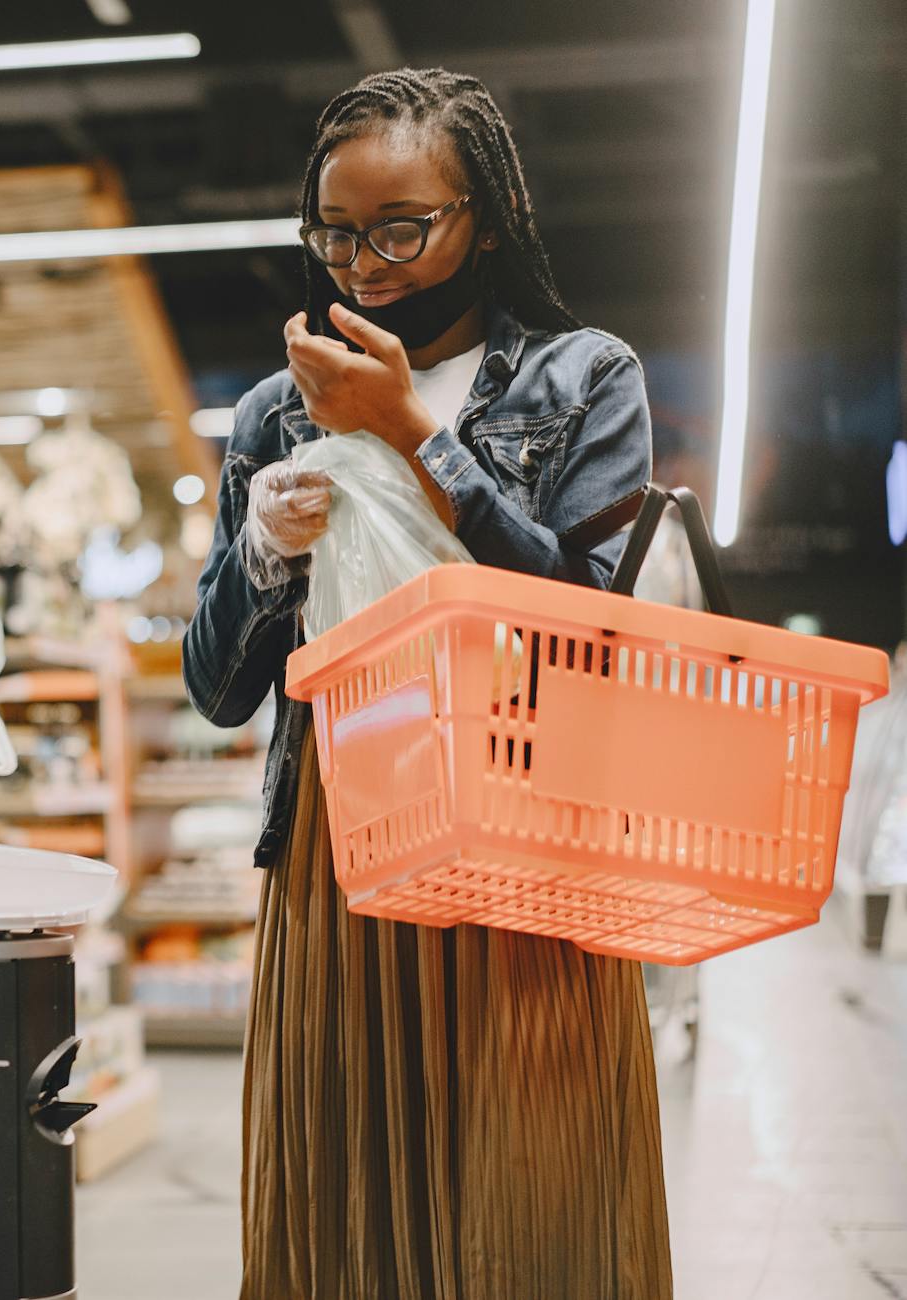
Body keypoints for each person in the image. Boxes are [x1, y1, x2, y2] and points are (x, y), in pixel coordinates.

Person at [182, 69, 670, 1298]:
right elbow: (218, 686)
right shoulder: (266, 419)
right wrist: (261, 553)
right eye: (336, 232)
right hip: (341, 848)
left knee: (535, 1194)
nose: (365, 262)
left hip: (526, 843)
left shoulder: (582, 378)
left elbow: (587, 617)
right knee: (342, 1211)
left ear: (485, 218)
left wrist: (414, 433)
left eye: (402, 227)